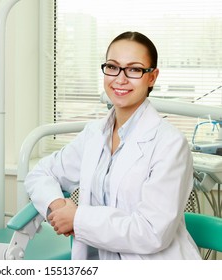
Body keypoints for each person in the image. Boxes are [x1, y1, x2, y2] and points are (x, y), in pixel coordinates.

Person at [25, 31, 201, 260]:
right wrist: (57, 205)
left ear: (152, 77)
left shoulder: (170, 144)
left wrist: (77, 219)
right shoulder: (94, 134)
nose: (120, 78)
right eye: (112, 67)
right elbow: (40, 172)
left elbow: (151, 232)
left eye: (135, 69)